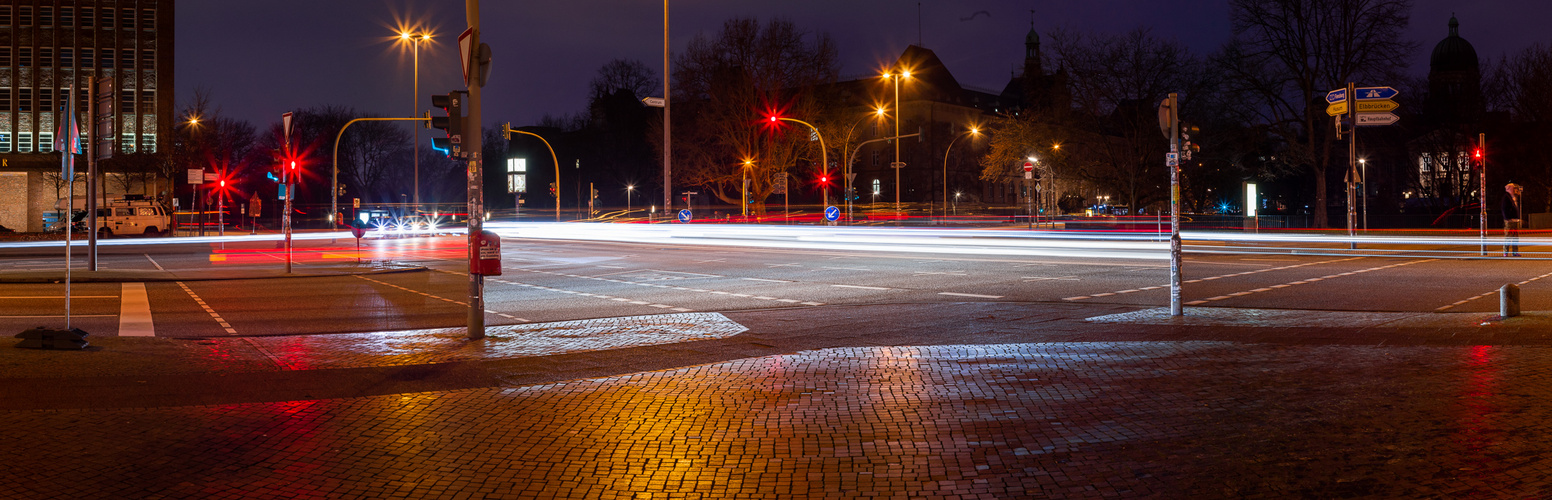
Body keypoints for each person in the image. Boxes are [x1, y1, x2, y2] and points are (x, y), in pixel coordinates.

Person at [1503, 182, 1524, 257]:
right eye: (1513, 188)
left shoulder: (1514, 197)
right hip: (1510, 220)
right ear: (1509, 189)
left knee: (1515, 237)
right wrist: (1507, 218)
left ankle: (1515, 252)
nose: (1514, 189)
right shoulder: (1506, 197)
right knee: (1508, 236)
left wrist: (1518, 218)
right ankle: (1506, 252)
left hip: (1515, 220)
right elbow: (1504, 209)